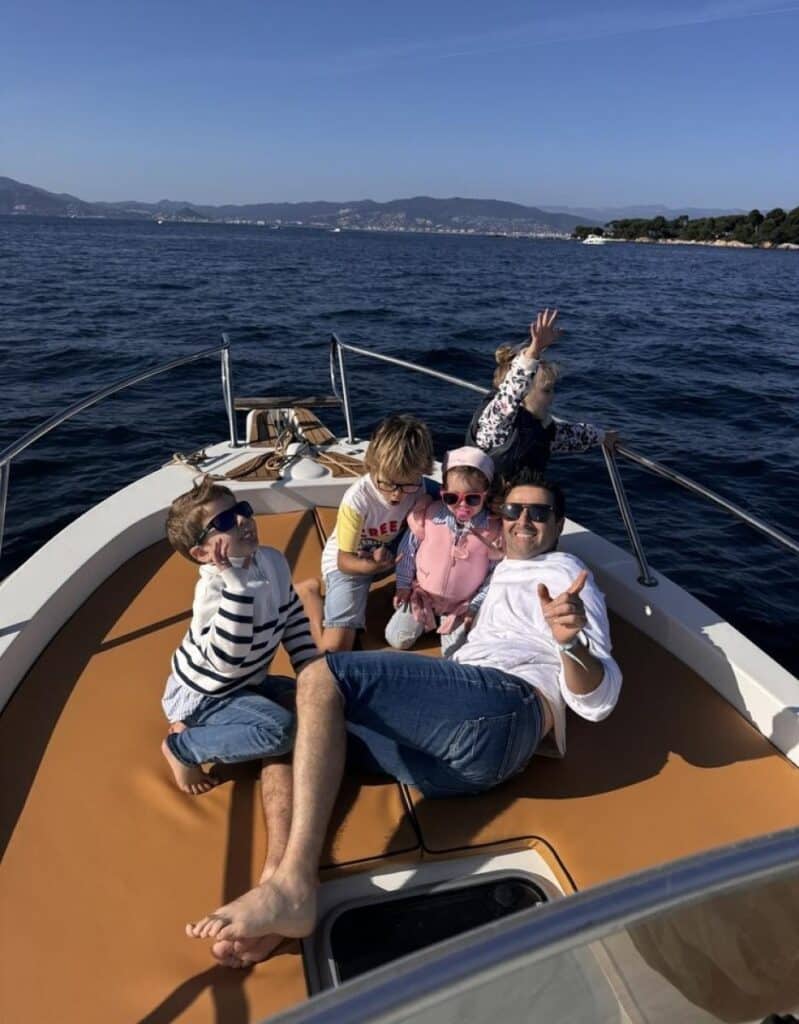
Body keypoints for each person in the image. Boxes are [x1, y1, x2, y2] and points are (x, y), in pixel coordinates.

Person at [185, 468, 622, 959]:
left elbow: (598, 699)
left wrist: (573, 644)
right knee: (288, 720)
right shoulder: (498, 571)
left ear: (558, 526)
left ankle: (291, 885)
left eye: (538, 513)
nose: (523, 520)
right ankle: (278, 888)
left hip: (510, 703)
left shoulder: (563, 574)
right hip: (464, 763)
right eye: (513, 510)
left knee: (321, 677)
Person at [160, 477, 319, 796]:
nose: (243, 520)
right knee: (281, 732)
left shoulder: (272, 561)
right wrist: (236, 587)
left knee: (311, 698)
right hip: (207, 693)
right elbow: (228, 661)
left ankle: (203, 728)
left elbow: (290, 614)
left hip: (248, 681)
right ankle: (183, 748)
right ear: (202, 552)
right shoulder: (213, 591)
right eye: (224, 522)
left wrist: (309, 666)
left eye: (242, 510)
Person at [297, 413, 434, 653]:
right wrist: (373, 568)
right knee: (335, 649)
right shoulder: (357, 500)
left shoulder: (421, 486)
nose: (397, 495)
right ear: (372, 468)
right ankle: (308, 593)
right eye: (388, 484)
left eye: (407, 486)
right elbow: (344, 560)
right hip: (350, 562)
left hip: (391, 552)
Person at [465, 308, 616, 482]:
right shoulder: (495, 423)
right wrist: (534, 351)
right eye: (546, 390)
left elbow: (570, 436)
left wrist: (603, 436)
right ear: (523, 393)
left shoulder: (538, 428)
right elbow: (513, 390)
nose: (552, 397)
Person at [385, 445, 502, 655]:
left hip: (463, 604)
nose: (462, 505)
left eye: (473, 498)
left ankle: (449, 623)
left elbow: (494, 575)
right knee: (396, 638)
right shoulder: (428, 515)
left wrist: (475, 606)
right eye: (452, 498)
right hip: (423, 596)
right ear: (442, 493)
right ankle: (426, 618)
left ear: (486, 494)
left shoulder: (493, 531)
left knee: (455, 653)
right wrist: (403, 585)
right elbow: (408, 552)